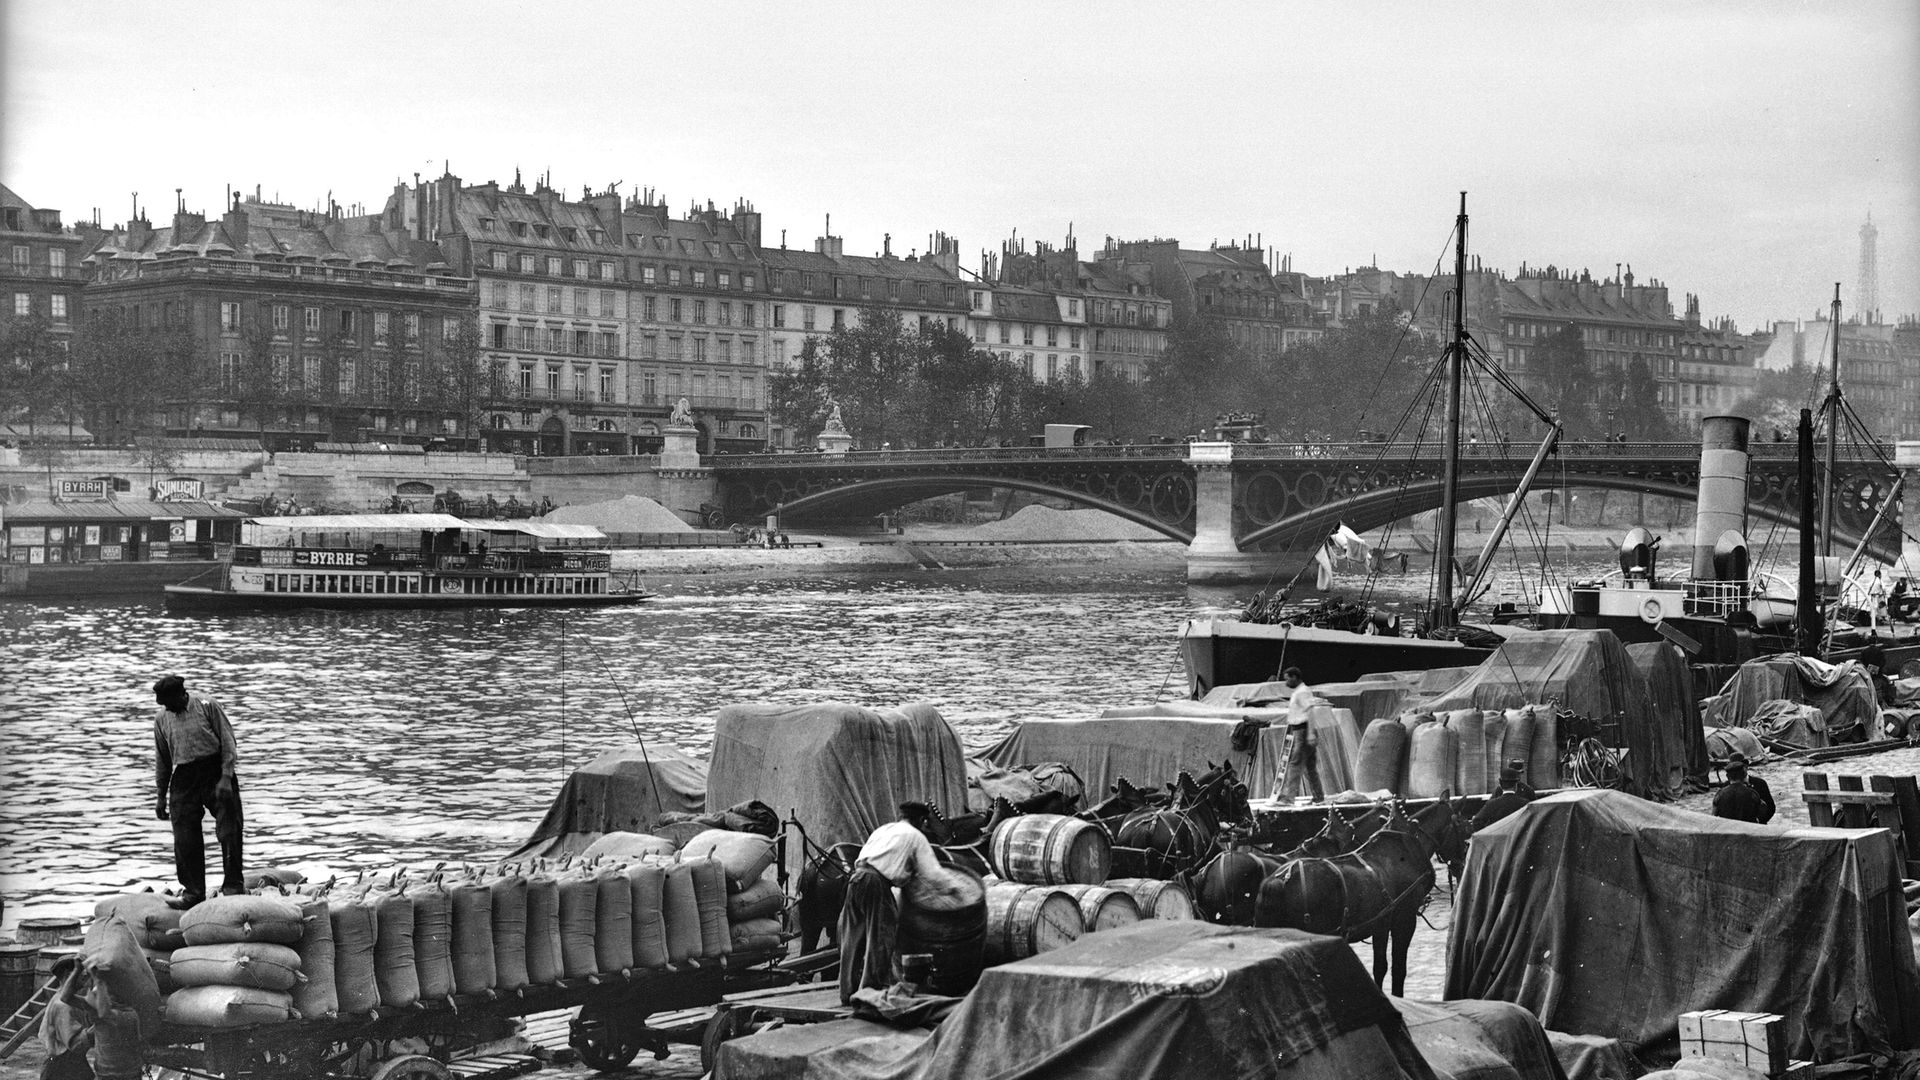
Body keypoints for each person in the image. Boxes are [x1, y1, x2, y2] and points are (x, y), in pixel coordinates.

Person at [152, 675, 244, 908]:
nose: (166, 708)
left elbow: (228, 742)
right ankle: (193, 892)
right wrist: (161, 795)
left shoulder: (207, 705)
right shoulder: (162, 719)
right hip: (184, 774)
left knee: (229, 829)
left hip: (215, 769)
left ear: (181, 695)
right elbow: (163, 759)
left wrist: (225, 777)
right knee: (184, 836)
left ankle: (233, 884)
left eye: (169, 702)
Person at [839, 801, 943, 1004]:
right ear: (921, 820)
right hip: (876, 882)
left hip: (856, 879)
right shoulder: (915, 837)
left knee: (851, 939)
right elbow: (933, 873)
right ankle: (867, 996)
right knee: (880, 939)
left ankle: (847, 994)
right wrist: (954, 888)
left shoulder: (884, 829)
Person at [1278, 667, 1324, 803]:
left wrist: (1310, 733)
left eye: (1287, 678)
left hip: (1303, 732)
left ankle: (1288, 798)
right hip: (1301, 731)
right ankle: (1319, 796)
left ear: (1294, 677)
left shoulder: (1302, 692)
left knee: (1295, 764)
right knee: (1310, 767)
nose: (1286, 682)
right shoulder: (1299, 692)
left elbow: (1310, 712)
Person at [1470, 760, 1536, 831]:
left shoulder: (1492, 803)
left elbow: (1477, 821)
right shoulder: (1525, 803)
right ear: (1515, 785)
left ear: (1501, 784)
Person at [1712, 758, 1772, 824]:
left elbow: (1714, 816)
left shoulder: (1720, 794)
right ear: (1744, 774)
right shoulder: (1752, 794)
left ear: (1727, 777)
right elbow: (1764, 810)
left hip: (1728, 830)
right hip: (1749, 830)